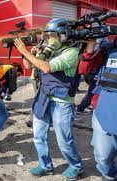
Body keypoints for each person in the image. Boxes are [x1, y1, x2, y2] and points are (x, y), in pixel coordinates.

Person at [14, 19, 84, 180]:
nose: (50, 39)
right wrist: (27, 52)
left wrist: (26, 52)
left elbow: (45, 67)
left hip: (62, 102)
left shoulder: (71, 53)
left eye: (53, 36)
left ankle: (76, 166)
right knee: (38, 136)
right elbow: (29, 65)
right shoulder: (51, 50)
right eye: (49, 36)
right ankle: (46, 166)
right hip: (43, 97)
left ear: (64, 36)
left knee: (64, 140)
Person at [90, 38, 117, 181]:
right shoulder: (107, 49)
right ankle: (108, 175)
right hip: (105, 108)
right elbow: (85, 69)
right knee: (103, 155)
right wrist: (90, 46)